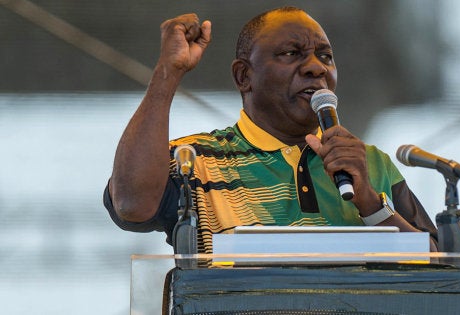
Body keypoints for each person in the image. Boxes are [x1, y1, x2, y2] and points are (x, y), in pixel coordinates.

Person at [103, 6, 438, 253]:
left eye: (326, 57)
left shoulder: (368, 163)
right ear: (244, 77)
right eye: (292, 54)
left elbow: (441, 271)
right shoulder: (195, 160)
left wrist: (369, 203)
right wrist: (168, 72)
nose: (315, 67)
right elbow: (132, 204)